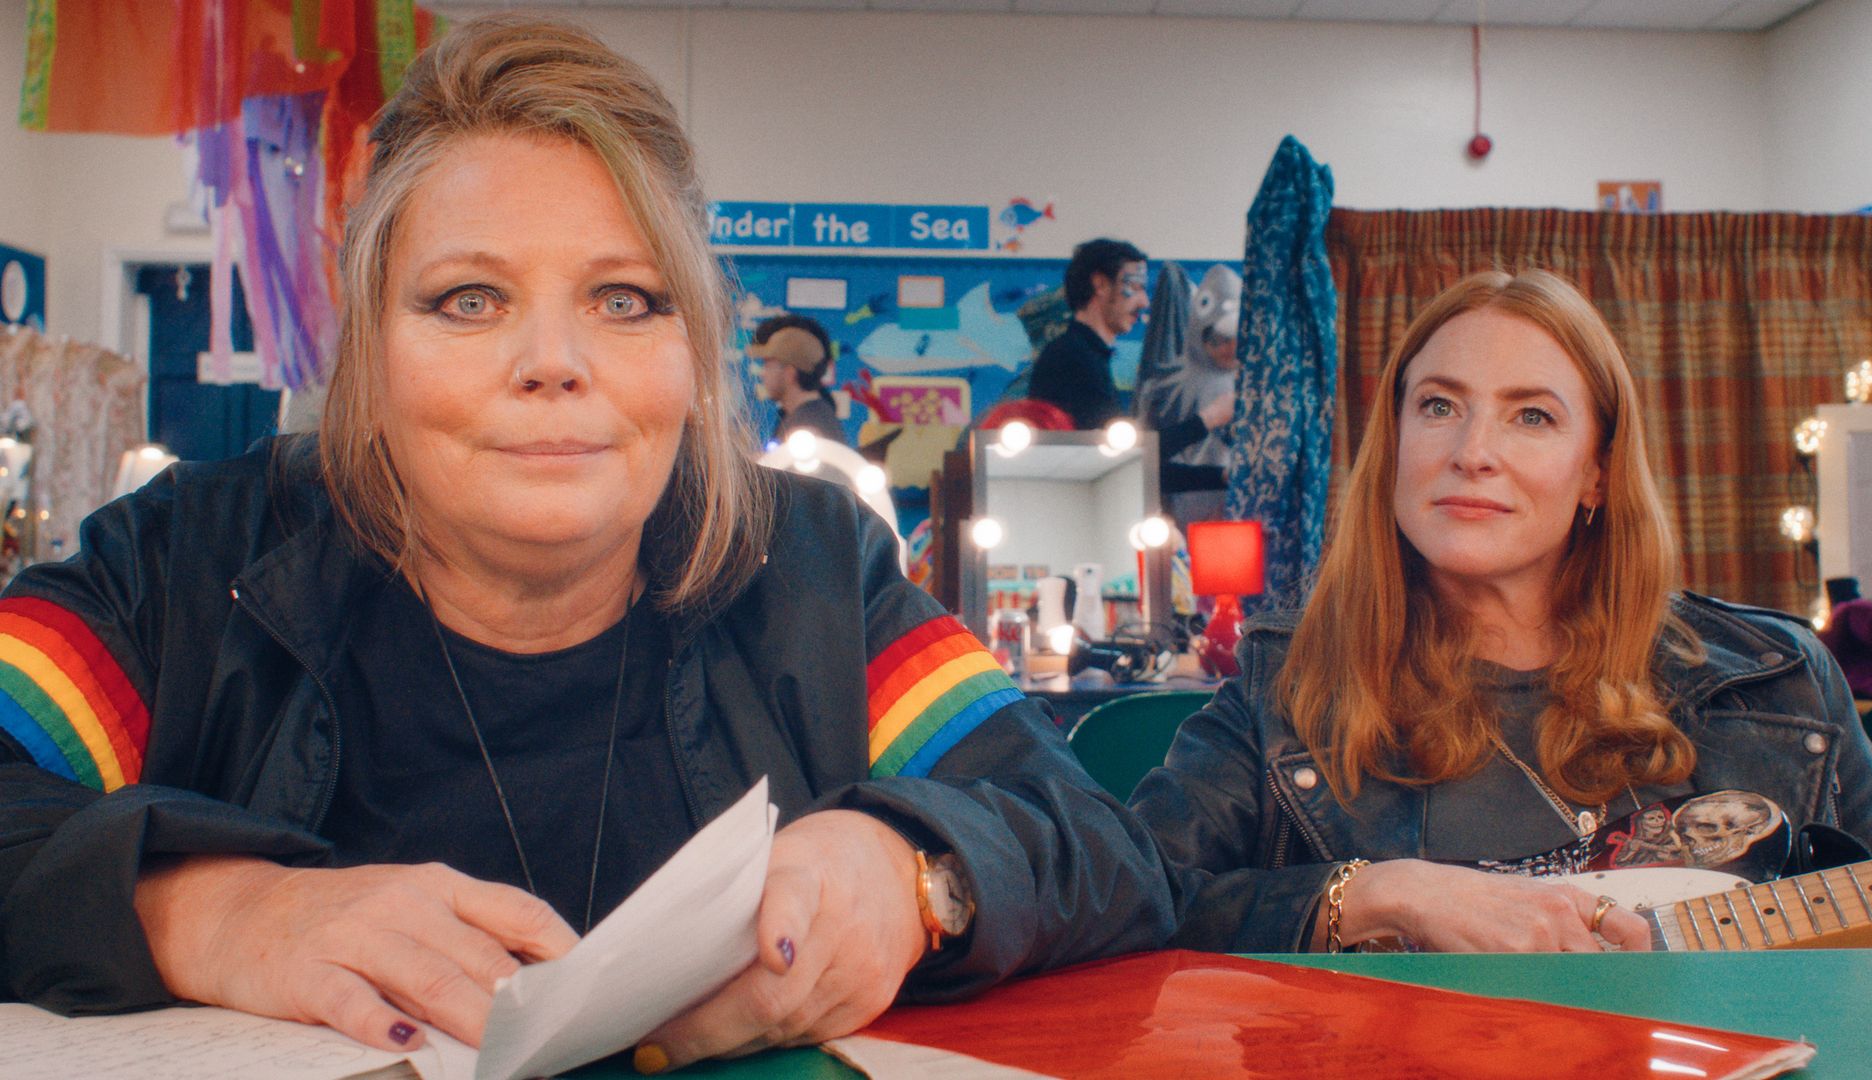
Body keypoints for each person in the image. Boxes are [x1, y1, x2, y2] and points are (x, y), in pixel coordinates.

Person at [0, 16, 1174, 1069]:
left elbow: (1103, 847)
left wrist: (922, 876)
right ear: (368, 352)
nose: (554, 360)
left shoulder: (814, 571)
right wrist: (207, 910)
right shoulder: (181, 569)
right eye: (469, 299)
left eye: (625, 299)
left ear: (693, 352)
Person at [1130, 269, 1872, 954]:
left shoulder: (1780, 677)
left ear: (1596, 475)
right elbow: (1127, 903)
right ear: (1395, 442)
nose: (1473, 450)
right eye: (1438, 406)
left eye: (1531, 415)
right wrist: (1373, 895)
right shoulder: (1287, 684)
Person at [1135, 264, 1241, 530]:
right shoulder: (1166, 389)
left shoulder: (1254, 389)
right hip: (1176, 523)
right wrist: (1208, 419)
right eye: (1218, 339)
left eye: (1236, 339)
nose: (1229, 349)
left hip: (1235, 520)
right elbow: (1147, 461)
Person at [1026, 238, 1150, 430]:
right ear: (1100, 284)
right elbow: (1111, 448)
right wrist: (1206, 418)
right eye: (1134, 287)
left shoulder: (1082, 353)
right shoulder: (1071, 357)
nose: (1144, 302)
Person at [751, 313, 848, 446]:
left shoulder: (809, 426)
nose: (762, 374)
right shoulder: (803, 415)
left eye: (767, 365)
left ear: (790, 373)